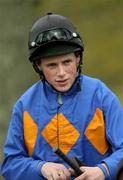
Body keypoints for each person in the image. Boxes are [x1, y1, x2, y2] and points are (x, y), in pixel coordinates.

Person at [1, 12, 123, 180]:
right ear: (39, 66)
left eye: (67, 62)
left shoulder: (101, 96)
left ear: (78, 57)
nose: (61, 73)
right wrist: (41, 167)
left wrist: (104, 170)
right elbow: (10, 164)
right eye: (52, 65)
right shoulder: (24, 105)